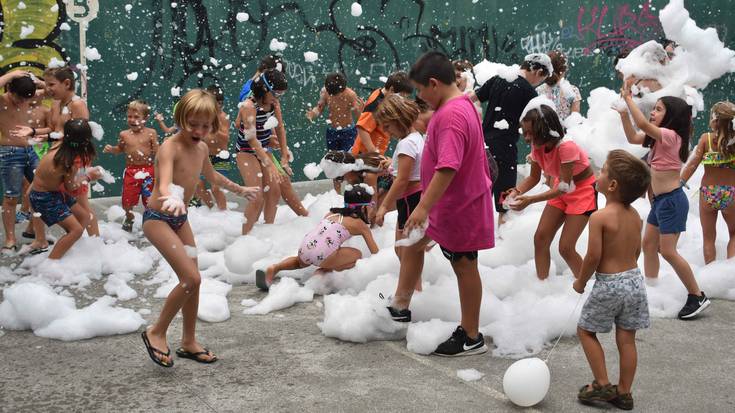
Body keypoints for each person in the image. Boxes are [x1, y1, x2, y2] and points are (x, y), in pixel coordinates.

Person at [141, 89, 259, 367]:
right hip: (158, 218)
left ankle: (188, 341)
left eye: (205, 126)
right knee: (190, 278)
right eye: (193, 123)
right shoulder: (170, 146)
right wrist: (170, 195)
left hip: (179, 220)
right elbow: (164, 181)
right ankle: (156, 332)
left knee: (194, 282)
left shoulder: (203, 147)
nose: (199, 130)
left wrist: (239, 189)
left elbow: (211, 174)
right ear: (181, 118)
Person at [388, 51, 494, 357]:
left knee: (464, 266)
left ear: (433, 83)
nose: (419, 97)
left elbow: (448, 167)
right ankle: (400, 304)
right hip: (454, 204)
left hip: (461, 206)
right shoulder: (461, 105)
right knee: (414, 244)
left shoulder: (450, 116)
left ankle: (471, 336)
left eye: (420, 90)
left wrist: (422, 207)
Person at [617, 82, 711, 319]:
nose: (653, 112)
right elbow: (632, 136)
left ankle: (696, 295)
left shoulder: (671, 136)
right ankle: (652, 288)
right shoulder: (657, 138)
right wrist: (622, 114)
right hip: (660, 202)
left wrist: (628, 99)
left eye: (658, 109)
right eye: (654, 108)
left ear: (672, 117)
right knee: (649, 245)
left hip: (672, 201)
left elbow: (642, 124)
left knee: (667, 251)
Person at [573, 149, 652, 411]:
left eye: (604, 170)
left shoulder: (600, 217)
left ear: (613, 185)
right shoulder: (635, 217)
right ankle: (625, 392)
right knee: (627, 339)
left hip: (610, 284)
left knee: (585, 331)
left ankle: (603, 383)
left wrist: (581, 282)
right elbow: (637, 252)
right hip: (634, 282)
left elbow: (593, 255)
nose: (599, 173)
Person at [507, 98, 596, 279]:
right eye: (525, 133)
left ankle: (587, 288)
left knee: (566, 247)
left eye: (531, 133)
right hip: (561, 188)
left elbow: (565, 186)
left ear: (546, 130)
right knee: (540, 238)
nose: (527, 138)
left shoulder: (566, 147)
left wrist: (530, 200)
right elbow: (533, 177)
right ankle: (543, 285)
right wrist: (516, 191)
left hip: (582, 191)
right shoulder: (537, 146)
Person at [469, 53, 551, 225]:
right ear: (536, 70)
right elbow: (534, 126)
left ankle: (467, 237)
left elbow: (471, 99)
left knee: (477, 195)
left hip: (483, 145)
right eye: (542, 78)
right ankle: (503, 242)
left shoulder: (498, 79)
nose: (539, 83)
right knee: (506, 200)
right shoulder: (529, 92)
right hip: (505, 148)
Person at [256, 184, 379, 290]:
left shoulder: (331, 214)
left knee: (299, 262)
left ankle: (275, 267)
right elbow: (376, 253)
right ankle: (322, 272)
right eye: (372, 205)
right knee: (357, 255)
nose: (373, 208)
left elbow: (326, 237)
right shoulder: (360, 225)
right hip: (324, 255)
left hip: (306, 247)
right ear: (363, 207)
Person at [373, 94, 424, 291]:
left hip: (411, 199)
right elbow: (408, 170)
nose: (386, 132)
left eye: (387, 126)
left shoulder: (407, 144)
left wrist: (384, 206)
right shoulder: (414, 137)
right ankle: (414, 290)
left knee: (407, 252)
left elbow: (403, 179)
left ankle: (412, 292)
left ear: (399, 119)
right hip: (412, 198)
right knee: (403, 249)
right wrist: (391, 165)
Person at [29, 119, 100, 259]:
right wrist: (88, 177)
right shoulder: (68, 162)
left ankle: (70, 249)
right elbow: (71, 188)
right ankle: (52, 263)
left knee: (85, 216)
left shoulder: (61, 144)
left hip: (48, 192)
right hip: (44, 198)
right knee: (76, 230)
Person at [0, 72, 49, 255]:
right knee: (11, 197)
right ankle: (10, 238)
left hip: (32, 150)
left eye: (25, 98)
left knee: (40, 191)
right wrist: (12, 75)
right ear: (9, 89)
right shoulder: (2, 101)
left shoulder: (29, 95)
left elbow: (54, 89)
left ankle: (36, 233)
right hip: (9, 152)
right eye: (18, 98)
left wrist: (36, 82)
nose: (22, 102)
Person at [680, 101, 735, 263]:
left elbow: (692, 163)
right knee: (734, 234)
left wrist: (680, 182)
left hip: (708, 193)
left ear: (714, 119)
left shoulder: (706, 139)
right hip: (731, 194)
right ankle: (731, 275)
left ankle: (709, 275)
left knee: (708, 239)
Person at [234, 69, 287, 234]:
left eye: (280, 94)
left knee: (274, 191)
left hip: (263, 149)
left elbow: (280, 128)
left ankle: (267, 232)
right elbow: (251, 139)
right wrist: (269, 164)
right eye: (275, 93)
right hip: (246, 152)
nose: (277, 98)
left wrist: (284, 154)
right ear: (264, 89)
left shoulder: (273, 104)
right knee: (256, 196)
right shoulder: (249, 106)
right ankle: (246, 237)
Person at [103, 100, 159, 232]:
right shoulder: (124, 134)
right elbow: (120, 149)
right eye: (129, 116)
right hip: (131, 171)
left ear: (145, 118)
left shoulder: (151, 133)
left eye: (136, 117)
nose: (132, 120)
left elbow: (158, 152)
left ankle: (150, 221)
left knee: (149, 200)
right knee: (127, 201)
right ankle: (129, 216)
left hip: (148, 171)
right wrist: (112, 149)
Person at [306, 72, 363, 191]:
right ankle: (337, 194)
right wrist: (313, 113)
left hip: (348, 132)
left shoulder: (350, 94)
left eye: (336, 94)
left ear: (343, 89)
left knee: (349, 163)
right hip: (332, 132)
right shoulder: (325, 92)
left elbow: (358, 114)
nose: (334, 96)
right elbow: (320, 108)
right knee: (333, 162)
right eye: (332, 94)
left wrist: (360, 110)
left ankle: (353, 190)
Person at [193, 85, 230, 210]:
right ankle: (210, 209)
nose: (218, 106)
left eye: (220, 103)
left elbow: (225, 139)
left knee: (216, 187)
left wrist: (214, 127)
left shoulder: (223, 117)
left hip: (220, 157)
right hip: (204, 157)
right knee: (198, 185)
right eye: (215, 103)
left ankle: (223, 212)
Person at [535, 50, 582, 120]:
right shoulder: (573, 91)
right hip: (565, 130)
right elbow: (575, 120)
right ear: (564, 69)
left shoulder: (538, 91)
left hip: (544, 130)